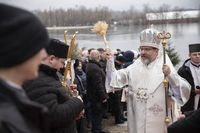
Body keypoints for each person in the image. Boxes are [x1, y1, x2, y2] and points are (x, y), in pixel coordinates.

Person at [105, 28, 191, 133]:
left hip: (158, 117)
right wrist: (110, 61)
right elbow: (114, 79)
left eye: (146, 49)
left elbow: (183, 91)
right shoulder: (135, 66)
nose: (142, 52)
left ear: (156, 50)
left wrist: (170, 75)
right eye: (141, 49)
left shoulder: (165, 66)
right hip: (138, 117)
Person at [0, 4, 50, 133]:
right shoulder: (5, 122)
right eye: (39, 47)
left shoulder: (12, 99)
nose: (44, 55)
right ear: (21, 51)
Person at [23, 38, 84, 133]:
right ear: (51, 59)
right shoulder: (38, 80)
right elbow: (52, 116)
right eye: (62, 62)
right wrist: (78, 102)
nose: (62, 67)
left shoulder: (46, 75)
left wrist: (72, 111)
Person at [86, 49, 108, 133]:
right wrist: (103, 97)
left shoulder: (91, 65)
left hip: (93, 96)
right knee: (97, 115)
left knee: (97, 115)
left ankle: (98, 129)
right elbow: (98, 84)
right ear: (98, 57)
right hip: (96, 97)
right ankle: (96, 130)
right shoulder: (94, 68)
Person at [178, 43, 200, 113]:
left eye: (199, 54)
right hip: (189, 103)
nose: (197, 56)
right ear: (189, 55)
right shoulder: (183, 70)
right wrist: (194, 92)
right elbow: (179, 88)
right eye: (194, 54)